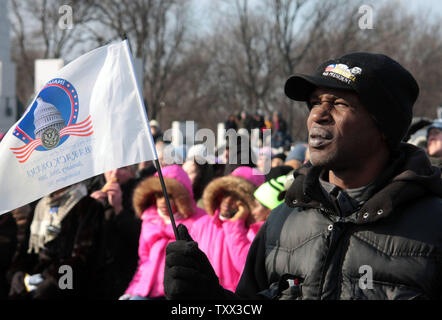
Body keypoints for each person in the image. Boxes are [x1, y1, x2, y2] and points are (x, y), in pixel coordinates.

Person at [164, 52, 442, 300]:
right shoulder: (282, 220)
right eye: (314, 103)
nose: (317, 115)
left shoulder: (433, 223)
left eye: (337, 103)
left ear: (383, 125)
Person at [8, 182, 106, 299]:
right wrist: (17, 274)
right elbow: (26, 251)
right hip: (33, 285)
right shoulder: (40, 207)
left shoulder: (88, 206)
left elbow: (84, 256)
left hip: (67, 288)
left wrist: (54, 281)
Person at [121, 165, 205, 300]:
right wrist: (131, 291)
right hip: (147, 292)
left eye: (169, 195)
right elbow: (144, 261)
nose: (162, 201)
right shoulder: (149, 220)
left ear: (182, 196)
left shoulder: (200, 222)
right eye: (159, 195)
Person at [186, 166, 264, 292]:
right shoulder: (201, 224)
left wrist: (235, 226)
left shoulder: (255, 231)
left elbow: (246, 269)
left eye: (236, 197)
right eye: (226, 193)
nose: (227, 201)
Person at [89, 165, 142, 299]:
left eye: (123, 168)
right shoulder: (90, 189)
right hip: (95, 272)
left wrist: (119, 209)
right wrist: (89, 210)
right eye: (110, 167)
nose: (115, 172)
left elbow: (141, 237)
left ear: (132, 172)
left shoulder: (140, 194)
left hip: (126, 272)